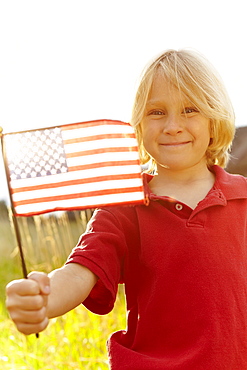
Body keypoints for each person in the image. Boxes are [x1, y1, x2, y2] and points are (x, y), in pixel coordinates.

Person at [6, 49, 247, 369]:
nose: (173, 125)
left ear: (214, 121)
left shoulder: (242, 198)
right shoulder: (124, 207)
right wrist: (42, 297)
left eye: (190, 109)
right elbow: (81, 271)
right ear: (138, 125)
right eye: (156, 112)